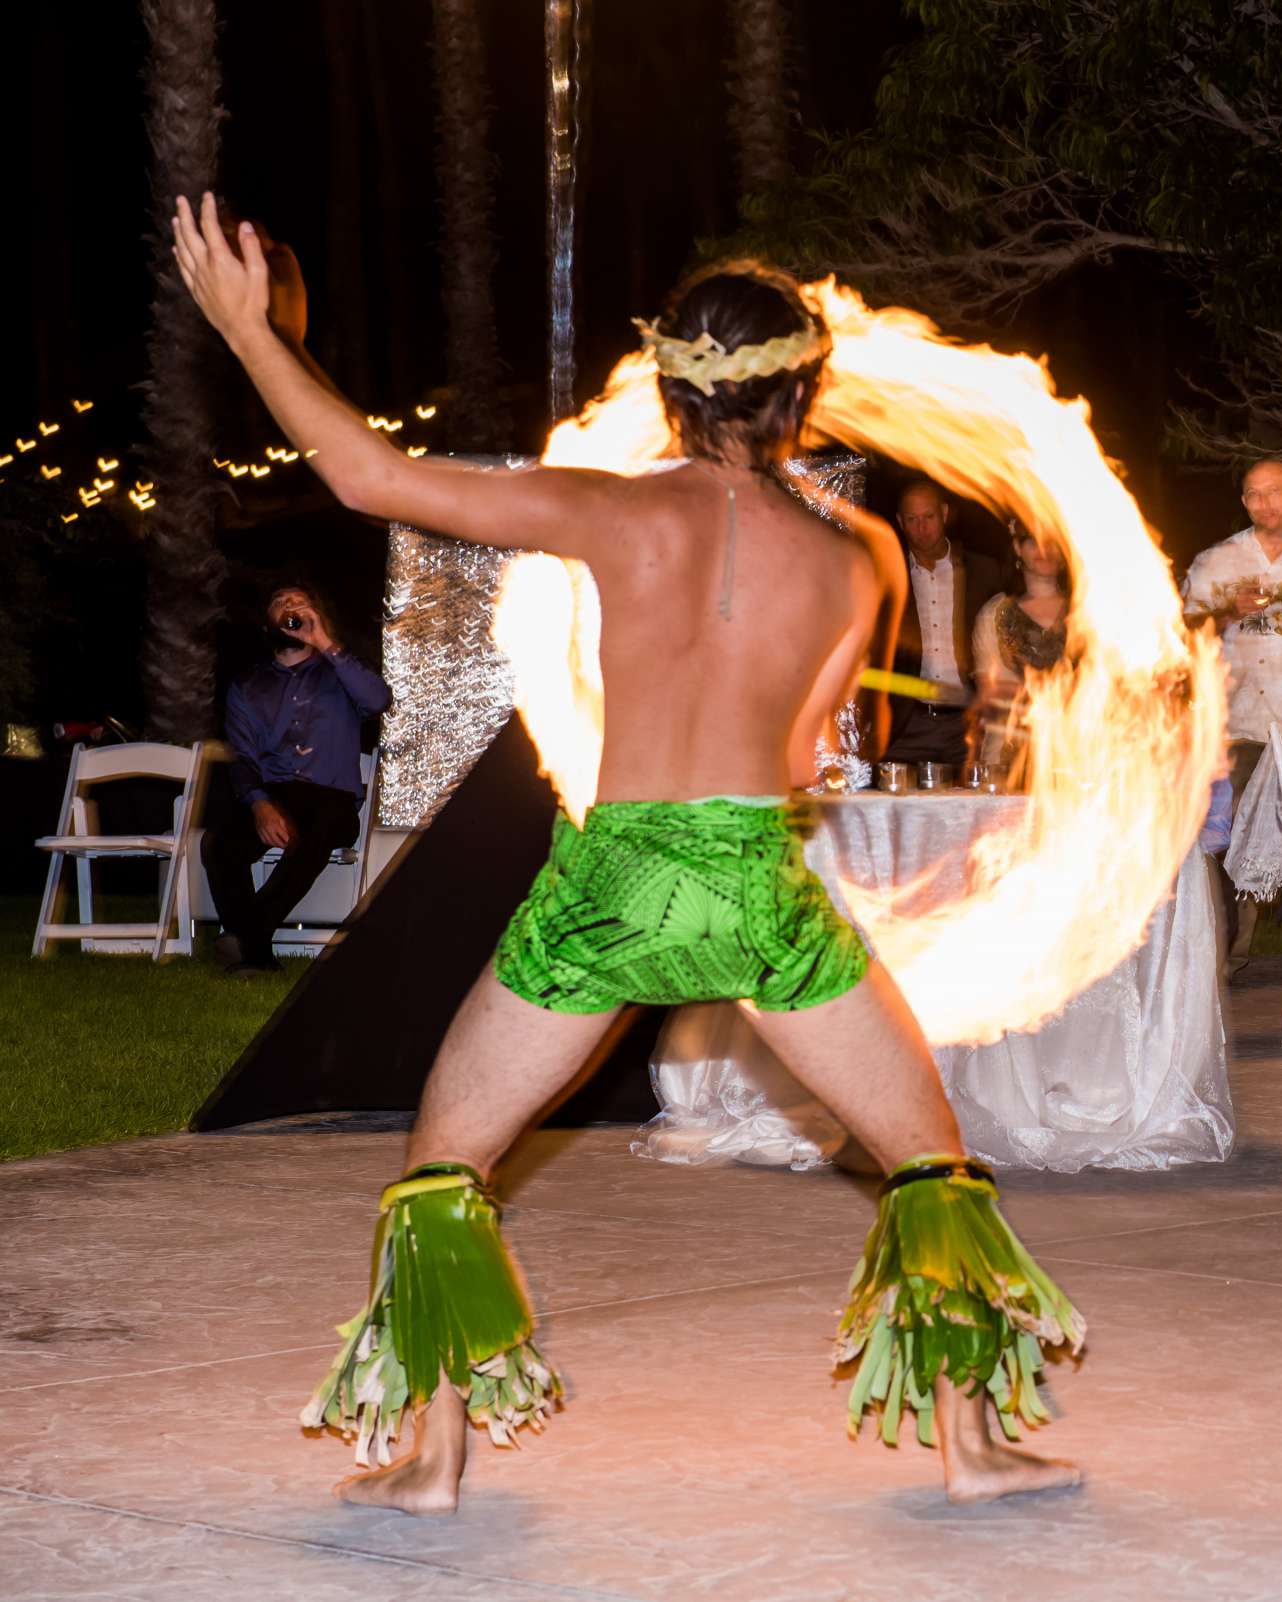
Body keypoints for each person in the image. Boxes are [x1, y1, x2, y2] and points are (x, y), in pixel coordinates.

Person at [172, 194, 1082, 1511]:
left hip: (612, 884)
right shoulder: (865, 555)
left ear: (669, 384)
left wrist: (253, 336)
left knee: (443, 1163)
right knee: (927, 1157)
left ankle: (430, 1457)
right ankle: (976, 1448)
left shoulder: (606, 511)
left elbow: (370, 477)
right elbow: (807, 756)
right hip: (754, 882)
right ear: (802, 397)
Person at [201, 582, 391, 975]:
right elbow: (242, 756)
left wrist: (324, 641)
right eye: (280, 602)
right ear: (268, 622)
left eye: (300, 603)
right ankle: (258, 956)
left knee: (318, 827)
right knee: (219, 844)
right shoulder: (248, 685)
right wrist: (259, 804)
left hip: (331, 799)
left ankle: (246, 937)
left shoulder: (338, 671)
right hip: (276, 794)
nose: (290, 606)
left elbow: (378, 701)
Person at [1179, 457, 1282, 798]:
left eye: (1274, 492)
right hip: (1235, 721)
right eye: (1254, 494)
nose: (1264, 503)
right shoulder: (1215, 560)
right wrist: (1228, 612)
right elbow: (1181, 632)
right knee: (1235, 833)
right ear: (1243, 501)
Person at [883, 478, 1003, 767]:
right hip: (906, 725)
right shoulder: (889, 573)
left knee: (971, 811)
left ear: (945, 514)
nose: (921, 528)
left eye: (929, 517)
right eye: (912, 519)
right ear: (900, 521)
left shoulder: (983, 572)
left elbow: (1002, 641)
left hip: (967, 723)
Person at [969, 521, 1072, 778]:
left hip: (1077, 752)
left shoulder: (1086, 611)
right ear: (1017, 547)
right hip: (1010, 753)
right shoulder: (995, 613)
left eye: (1052, 541)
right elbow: (992, 693)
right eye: (1034, 540)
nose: (1044, 550)